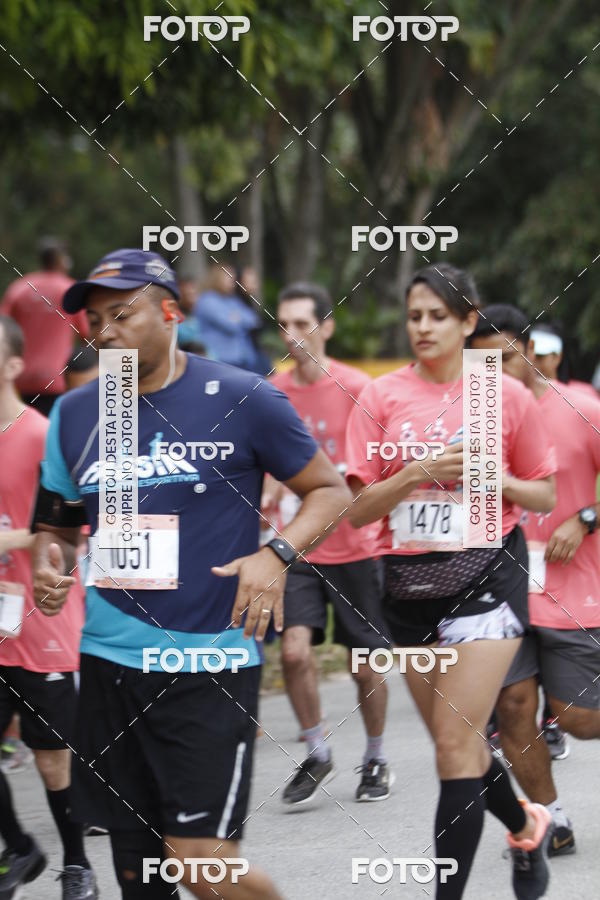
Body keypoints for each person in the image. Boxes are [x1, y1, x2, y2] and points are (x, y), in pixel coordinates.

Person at [30, 248, 351, 899]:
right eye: (94, 320)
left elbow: (330, 491)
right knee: (139, 875)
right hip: (109, 665)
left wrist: (275, 555)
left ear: (171, 312)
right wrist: (49, 561)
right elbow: (57, 528)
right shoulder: (75, 414)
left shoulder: (245, 397)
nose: (106, 332)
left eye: (122, 314)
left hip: (207, 662)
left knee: (200, 861)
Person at [345, 263, 557, 900]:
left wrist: (496, 483)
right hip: (407, 586)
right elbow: (356, 510)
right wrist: (415, 474)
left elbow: (543, 492)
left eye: (438, 315)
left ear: (468, 321)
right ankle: (525, 825)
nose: (423, 327)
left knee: (452, 748)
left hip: (488, 574)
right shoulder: (383, 398)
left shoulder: (501, 394)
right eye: (414, 316)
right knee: (457, 746)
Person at [471, 303, 600, 858]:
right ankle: (553, 820)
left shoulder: (582, 406)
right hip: (502, 587)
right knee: (515, 707)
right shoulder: (470, 416)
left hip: (575, 585)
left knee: (580, 717)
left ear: (528, 351)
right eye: (482, 363)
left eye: (503, 357)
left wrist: (586, 516)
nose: (494, 372)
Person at [267, 282, 391, 806]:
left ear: (327, 325)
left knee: (365, 665)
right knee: (294, 653)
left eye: (303, 323)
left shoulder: (360, 387)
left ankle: (377, 756)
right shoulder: (272, 388)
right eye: (284, 324)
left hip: (356, 546)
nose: (293, 335)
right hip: (298, 546)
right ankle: (317, 751)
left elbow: (384, 464)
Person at [0, 314, 95, 899]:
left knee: (52, 760)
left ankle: (77, 864)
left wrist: (12, 541)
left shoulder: (40, 435)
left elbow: (72, 529)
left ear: (13, 366)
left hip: (45, 616)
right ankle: (21, 848)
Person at [0, 238, 88, 416]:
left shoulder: (19, 288)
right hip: (58, 381)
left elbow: (4, 327)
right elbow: (87, 334)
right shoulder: (70, 290)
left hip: (19, 380)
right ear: (62, 260)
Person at [194, 264, 264, 371]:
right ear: (217, 278)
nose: (233, 282)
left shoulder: (232, 299)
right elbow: (230, 325)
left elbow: (254, 320)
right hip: (219, 359)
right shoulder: (207, 300)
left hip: (241, 358)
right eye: (228, 278)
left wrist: (235, 317)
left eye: (233, 278)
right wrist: (238, 319)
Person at [529, 323, 598, 400]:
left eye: (539, 356)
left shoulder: (584, 396)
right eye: (527, 355)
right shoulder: (519, 392)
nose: (531, 361)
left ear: (557, 358)